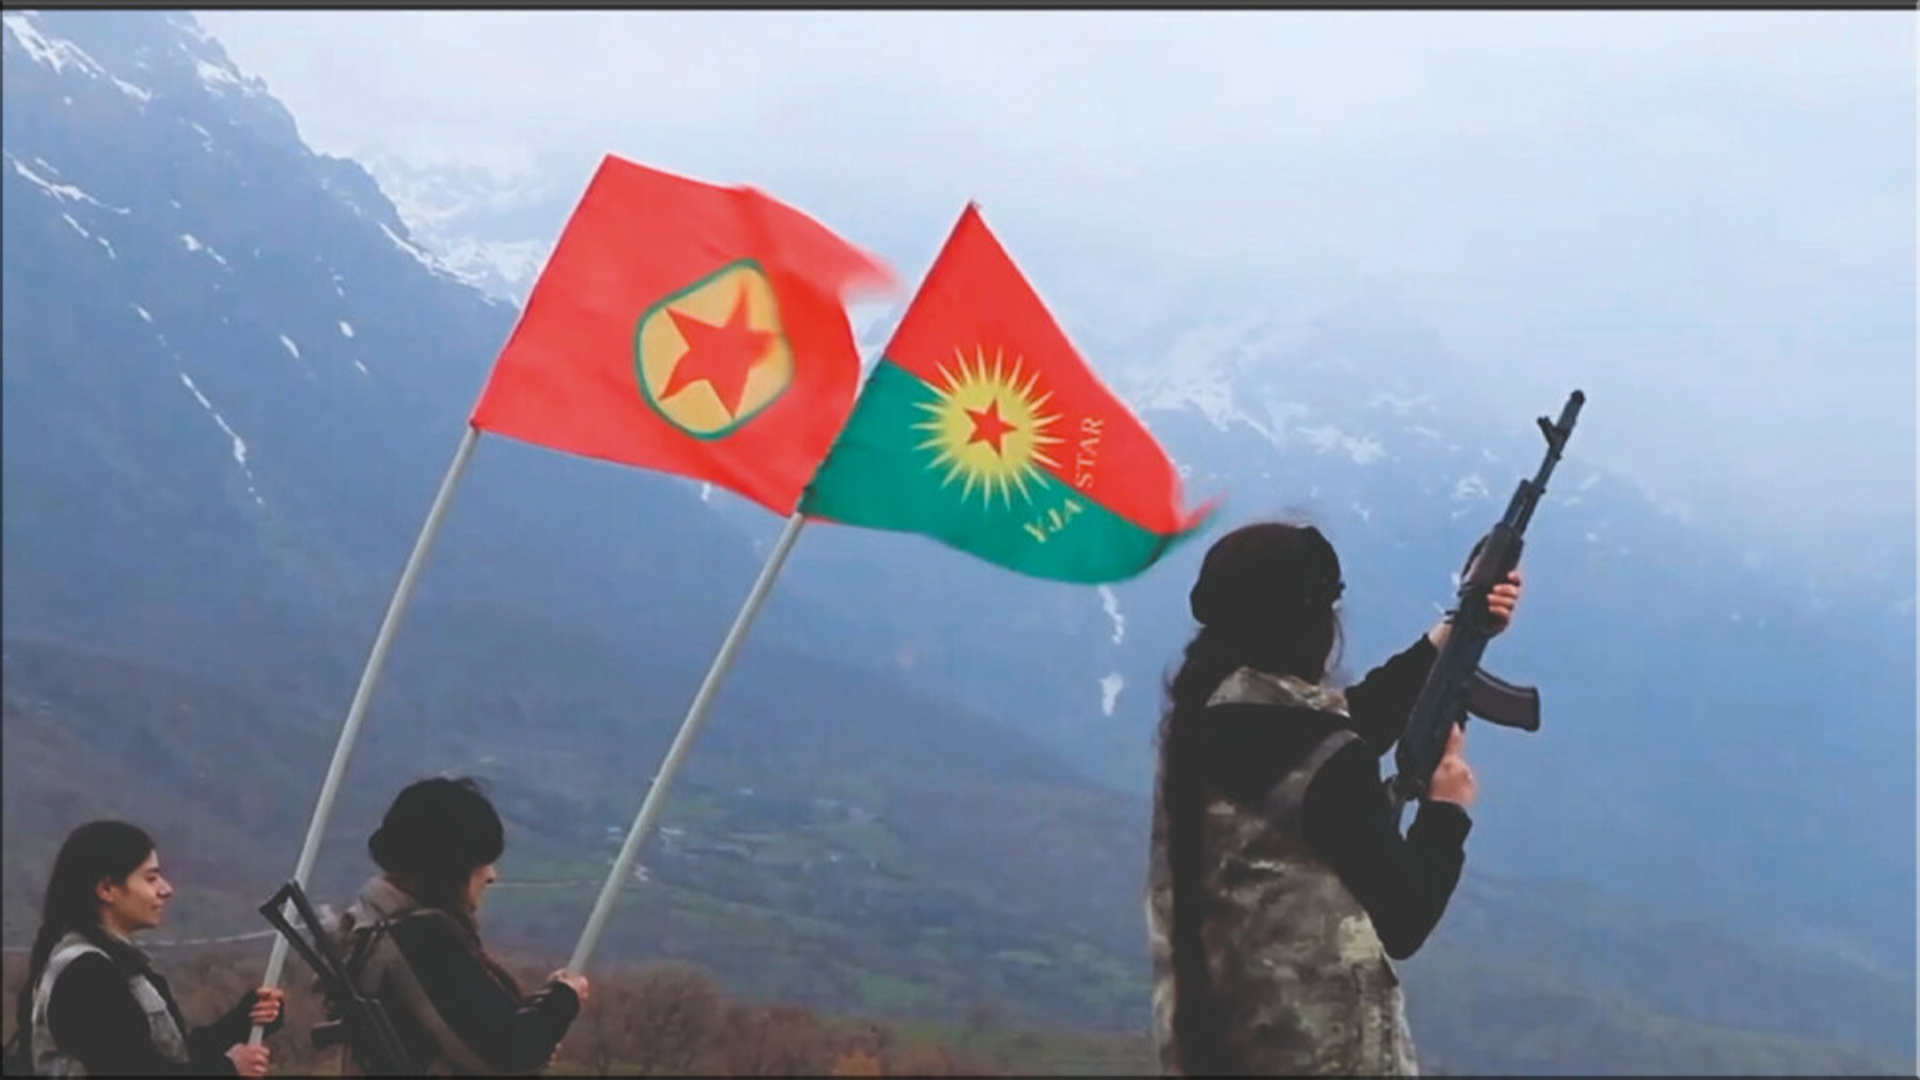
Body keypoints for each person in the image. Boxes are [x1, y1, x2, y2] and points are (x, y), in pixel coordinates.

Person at [1147, 521, 1523, 1076]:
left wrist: (1453, 631)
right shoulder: (1324, 758)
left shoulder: (1206, 720)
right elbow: (1407, 916)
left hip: (1219, 1049)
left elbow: (1338, 728)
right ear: (1313, 625)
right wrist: (1445, 809)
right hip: (1325, 1058)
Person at [329, 777, 588, 1075]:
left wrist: (540, 1016)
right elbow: (505, 1050)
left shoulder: (375, 930)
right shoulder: (421, 941)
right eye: (482, 861)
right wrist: (563, 999)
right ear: (451, 866)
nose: (492, 875)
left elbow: (470, 1028)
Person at [10, 820, 285, 1076]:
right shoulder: (86, 974)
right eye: (150, 878)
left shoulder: (117, 965)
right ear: (107, 889)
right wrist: (227, 1069)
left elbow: (170, 1057)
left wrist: (243, 1022)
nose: (166, 890)